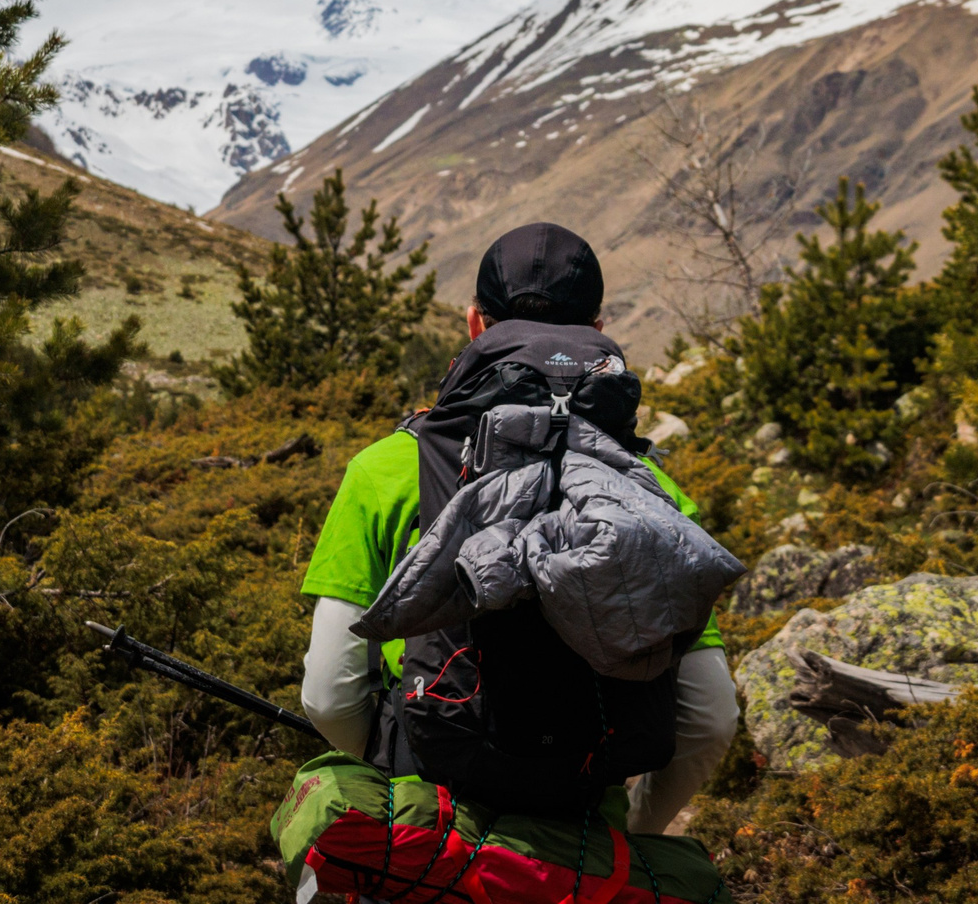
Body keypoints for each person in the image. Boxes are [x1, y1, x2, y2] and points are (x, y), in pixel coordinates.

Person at [297, 221, 741, 834]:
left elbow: (329, 693)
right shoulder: (649, 491)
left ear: (475, 324)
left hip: (426, 832)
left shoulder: (385, 469)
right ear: (598, 332)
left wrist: (391, 759)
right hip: (586, 841)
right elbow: (709, 719)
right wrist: (636, 833)